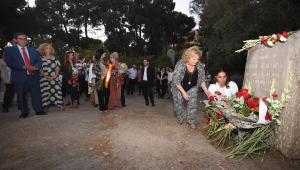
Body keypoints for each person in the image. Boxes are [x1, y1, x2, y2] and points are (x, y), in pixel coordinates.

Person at [4, 32, 45, 118]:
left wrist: (35, 67)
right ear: (16, 40)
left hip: (34, 76)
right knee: (21, 95)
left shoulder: (33, 50)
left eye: (25, 39)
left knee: (36, 94)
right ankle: (24, 111)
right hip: (19, 77)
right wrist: (23, 67)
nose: (23, 40)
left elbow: (39, 61)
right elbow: (9, 62)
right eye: (21, 39)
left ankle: (39, 110)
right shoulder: (9, 50)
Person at [171, 46, 210, 129]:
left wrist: (206, 91)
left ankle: (191, 120)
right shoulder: (180, 64)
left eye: (197, 59)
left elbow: (202, 80)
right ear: (187, 57)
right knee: (178, 104)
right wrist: (184, 93)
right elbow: (176, 80)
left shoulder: (199, 66)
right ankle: (180, 118)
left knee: (192, 104)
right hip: (178, 87)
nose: (196, 61)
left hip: (192, 86)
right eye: (194, 59)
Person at [38, 43, 64, 112]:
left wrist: (55, 76)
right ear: (43, 49)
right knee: (45, 93)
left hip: (54, 78)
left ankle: (60, 105)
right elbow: (40, 69)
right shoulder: (40, 59)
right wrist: (45, 75)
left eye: (49, 48)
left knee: (57, 91)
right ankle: (45, 107)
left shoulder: (55, 58)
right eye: (47, 48)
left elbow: (57, 68)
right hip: (44, 79)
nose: (48, 49)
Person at [0, 48, 15, 113]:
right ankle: (5, 106)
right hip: (7, 78)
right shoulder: (2, 61)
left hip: (13, 78)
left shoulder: (12, 60)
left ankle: (7, 104)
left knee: (11, 91)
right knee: (9, 91)